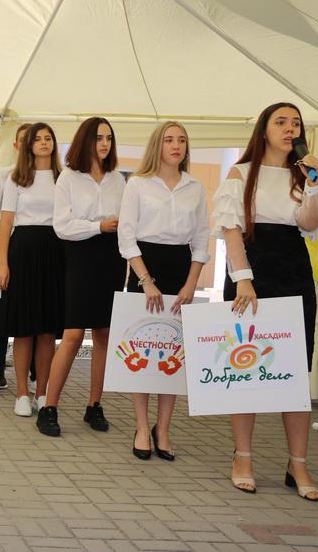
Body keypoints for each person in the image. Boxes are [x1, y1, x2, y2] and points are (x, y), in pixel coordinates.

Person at [214, 102, 318, 500]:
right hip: (251, 274)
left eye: (296, 123)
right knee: (246, 370)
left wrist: (314, 184)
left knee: (293, 373)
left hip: (294, 274)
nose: (290, 129)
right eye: (281, 122)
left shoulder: (303, 175)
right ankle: (242, 457)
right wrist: (243, 280)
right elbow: (231, 231)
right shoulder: (241, 173)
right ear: (264, 130)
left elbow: (310, 224)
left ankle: (298, 464)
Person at [118, 121, 209, 461]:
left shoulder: (195, 187)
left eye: (182, 140)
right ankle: (142, 427)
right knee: (143, 348)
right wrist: (145, 280)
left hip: (181, 268)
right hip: (145, 267)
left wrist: (191, 283)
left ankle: (164, 428)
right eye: (169, 139)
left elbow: (201, 239)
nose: (176, 145)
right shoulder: (138, 183)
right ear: (157, 145)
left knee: (173, 352)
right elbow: (126, 236)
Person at [38, 117, 126, 436]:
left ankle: (94, 405)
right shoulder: (68, 178)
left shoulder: (118, 179)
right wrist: (98, 226)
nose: (104, 144)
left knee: (104, 334)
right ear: (85, 141)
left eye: (108, 138)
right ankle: (49, 407)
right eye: (98, 138)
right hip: (80, 256)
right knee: (73, 334)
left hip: (112, 257)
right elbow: (62, 226)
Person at [0, 123, 64, 417]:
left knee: (47, 331)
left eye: (49, 138)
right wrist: (3, 263)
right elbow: (7, 222)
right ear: (29, 145)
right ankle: (22, 393)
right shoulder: (16, 178)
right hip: (22, 251)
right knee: (23, 329)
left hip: (55, 252)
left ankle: (43, 392)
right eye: (38, 139)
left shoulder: (64, 178)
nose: (44, 143)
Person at [0, 122, 34, 396]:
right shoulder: (3, 176)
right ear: (16, 145)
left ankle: (35, 376)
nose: (28, 144)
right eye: (23, 140)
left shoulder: (53, 178)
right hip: (2, 256)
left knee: (33, 317)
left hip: (33, 257)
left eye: (33, 139)